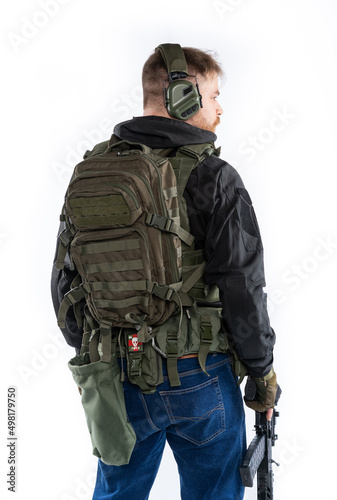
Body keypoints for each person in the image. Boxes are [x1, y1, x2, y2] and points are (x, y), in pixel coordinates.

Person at [51, 44, 279, 500]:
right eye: (213, 95)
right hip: (201, 377)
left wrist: (107, 353)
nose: (220, 108)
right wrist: (262, 372)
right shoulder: (215, 175)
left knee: (117, 494)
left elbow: (64, 286)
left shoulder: (92, 172)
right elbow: (243, 288)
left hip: (117, 377)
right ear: (183, 97)